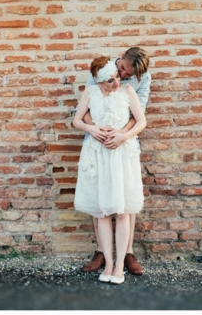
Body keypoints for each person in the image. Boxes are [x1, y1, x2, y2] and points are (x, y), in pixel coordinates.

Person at [72, 56, 146, 284]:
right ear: (99, 80)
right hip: (97, 154)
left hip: (121, 154)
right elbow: (76, 120)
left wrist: (123, 136)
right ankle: (109, 264)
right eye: (110, 80)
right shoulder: (90, 92)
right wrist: (92, 129)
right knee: (102, 211)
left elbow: (141, 121)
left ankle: (120, 265)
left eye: (117, 77)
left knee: (122, 211)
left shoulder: (127, 91)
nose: (116, 82)